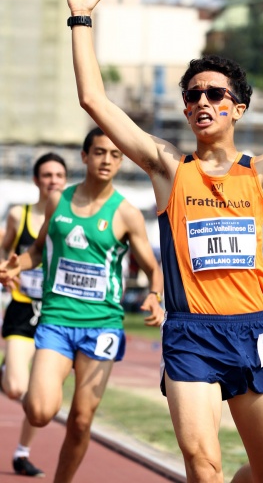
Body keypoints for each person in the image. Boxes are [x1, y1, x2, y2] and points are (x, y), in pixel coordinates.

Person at [57, 0, 263, 483]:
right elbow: (94, 100)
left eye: (215, 94)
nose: (202, 101)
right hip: (190, 335)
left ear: (237, 108)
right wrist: (81, 19)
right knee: (203, 465)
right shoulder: (168, 169)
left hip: (253, 331)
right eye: (192, 95)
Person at [0, 127, 163, 483]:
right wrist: (16, 265)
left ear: (121, 161)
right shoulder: (58, 201)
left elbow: (153, 268)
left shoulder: (127, 213)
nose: (107, 160)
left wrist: (154, 295)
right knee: (39, 411)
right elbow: (37, 251)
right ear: (85, 156)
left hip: (102, 326)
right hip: (56, 320)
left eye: (115, 155)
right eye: (100, 152)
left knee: (81, 420)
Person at [1, 152, 67, 478]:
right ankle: (6, 370)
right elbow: (5, 248)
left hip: (56, 313)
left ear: (66, 179)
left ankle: (22, 452)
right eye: (47, 175)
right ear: (36, 180)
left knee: (40, 393)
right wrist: (6, 269)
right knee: (16, 388)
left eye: (59, 175)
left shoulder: (71, 217)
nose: (53, 181)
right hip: (22, 307)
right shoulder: (20, 214)